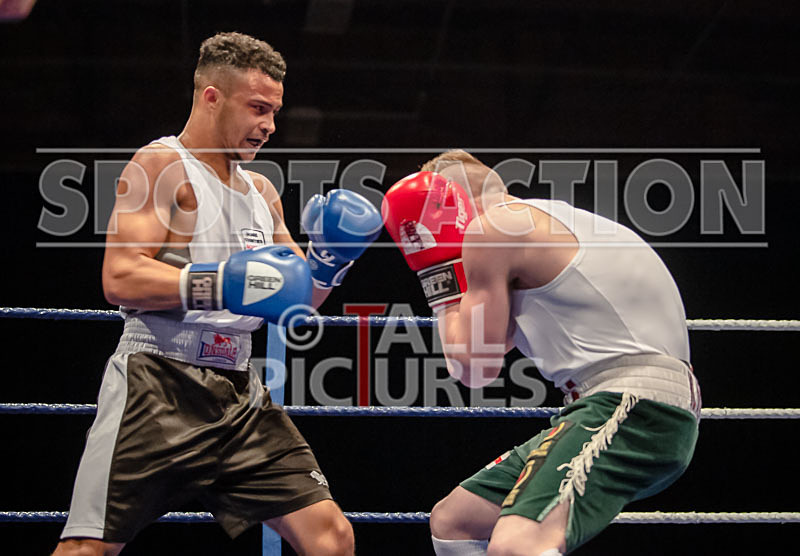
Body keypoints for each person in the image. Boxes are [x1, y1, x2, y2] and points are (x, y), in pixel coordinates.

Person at [53, 32, 381, 556]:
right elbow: (119, 278)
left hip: (238, 391)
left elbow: (299, 303)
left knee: (332, 537)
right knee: (87, 549)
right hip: (157, 381)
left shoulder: (262, 193)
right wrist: (222, 282)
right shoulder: (161, 165)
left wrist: (329, 262)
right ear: (211, 97)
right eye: (257, 108)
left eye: (274, 111)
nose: (269, 125)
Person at [381, 150, 701, 556]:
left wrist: (436, 271)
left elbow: (474, 368)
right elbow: (493, 343)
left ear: (451, 208)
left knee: (518, 546)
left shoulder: (492, 231)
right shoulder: (544, 221)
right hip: (631, 405)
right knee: (456, 521)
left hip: (634, 408)